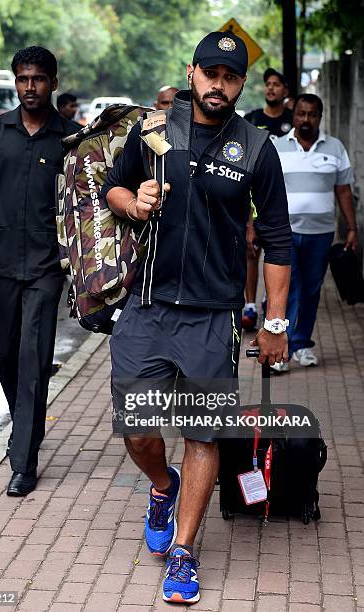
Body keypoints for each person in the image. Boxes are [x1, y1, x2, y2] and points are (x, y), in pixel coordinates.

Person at [103, 31, 292, 604]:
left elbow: (279, 241)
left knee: (202, 433)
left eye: (230, 77)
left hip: (213, 318)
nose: (219, 84)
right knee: (138, 432)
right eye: (210, 73)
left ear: (240, 85)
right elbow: (112, 187)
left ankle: (183, 552)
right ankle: (164, 487)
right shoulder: (155, 132)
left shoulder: (257, 148)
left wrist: (275, 324)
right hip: (147, 308)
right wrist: (133, 203)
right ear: (192, 73)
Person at [0, 46, 79, 496]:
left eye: (39, 79)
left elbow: (86, 206)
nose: (31, 87)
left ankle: (24, 459)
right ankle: (25, 427)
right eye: (24, 79)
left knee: (33, 361)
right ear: (15, 82)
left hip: (47, 267)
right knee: (8, 356)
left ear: (53, 82)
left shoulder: (71, 139)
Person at [272, 93, 357, 372]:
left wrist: (352, 228)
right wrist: (256, 226)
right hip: (285, 232)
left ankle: (302, 344)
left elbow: (343, 191)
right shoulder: (277, 147)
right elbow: (265, 192)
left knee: (311, 289)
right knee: (288, 288)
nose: (305, 119)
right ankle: (281, 349)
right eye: (301, 114)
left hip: (321, 234)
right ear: (293, 115)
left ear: (320, 117)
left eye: (312, 114)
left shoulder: (335, 148)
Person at [242, 68, 294, 331]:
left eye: (276, 85)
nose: (271, 89)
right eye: (267, 84)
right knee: (251, 253)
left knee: (278, 254)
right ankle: (249, 307)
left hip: (285, 200)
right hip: (255, 199)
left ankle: (269, 303)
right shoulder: (252, 119)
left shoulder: (294, 119)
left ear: (285, 90)